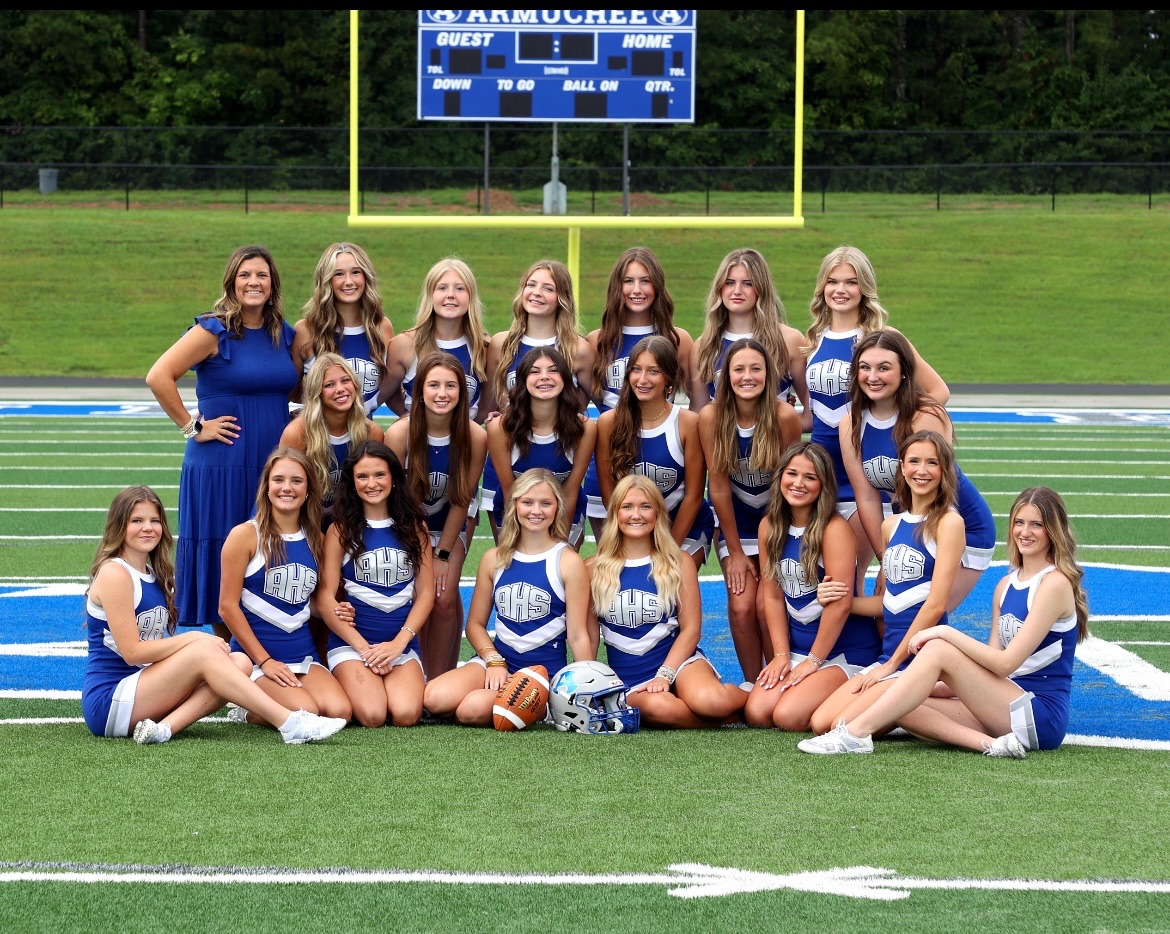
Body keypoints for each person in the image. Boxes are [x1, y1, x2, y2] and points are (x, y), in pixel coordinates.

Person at [799, 486, 1089, 756]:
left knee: (936, 647)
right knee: (900, 699)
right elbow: (993, 668)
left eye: (1036, 524)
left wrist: (944, 633)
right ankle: (992, 745)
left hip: (1039, 715)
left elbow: (1005, 664)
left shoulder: (1054, 584)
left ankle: (856, 734)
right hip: (1003, 705)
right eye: (1019, 522)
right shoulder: (1005, 586)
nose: (1025, 532)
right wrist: (923, 682)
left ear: (1053, 530)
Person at [82, 486, 347, 745]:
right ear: (119, 525)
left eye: (154, 520)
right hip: (110, 701)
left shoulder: (152, 574)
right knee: (204, 651)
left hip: (142, 692)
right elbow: (133, 652)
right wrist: (195, 639)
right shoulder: (115, 573)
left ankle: (163, 729)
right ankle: (289, 724)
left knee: (240, 663)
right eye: (136, 521)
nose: (148, 527)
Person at [146, 245, 298, 635]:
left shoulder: (284, 334)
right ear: (231, 281)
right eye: (245, 274)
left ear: (273, 284)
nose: (254, 282)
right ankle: (231, 663)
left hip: (272, 462)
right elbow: (159, 376)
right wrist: (193, 427)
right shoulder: (213, 329)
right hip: (221, 462)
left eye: (262, 275)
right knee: (225, 557)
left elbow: (293, 387)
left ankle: (265, 660)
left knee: (271, 558)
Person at [802, 245, 949, 587]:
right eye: (832, 281)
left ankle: (862, 641)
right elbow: (815, 414)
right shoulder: (812, 341)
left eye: (851, 282)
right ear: (822, 287)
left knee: (851, 570)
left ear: (864, 287)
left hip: (867, 474)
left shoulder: (883, 338)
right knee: (822, 570)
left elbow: (938, 392)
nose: (840, 290)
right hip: (822, 469)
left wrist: (896, 428)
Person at [808, 430, 965, 735]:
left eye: (932, 463)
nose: (922, 470)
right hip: (889, 655)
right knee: (819, 723)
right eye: (914, 461)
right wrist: (838, 599)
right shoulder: (890, 526)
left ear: (944, 471)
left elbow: (935, 605)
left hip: (917, 659)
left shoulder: (949, 522)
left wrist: (892, 664)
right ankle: (922, 700)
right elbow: (891, 601)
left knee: (842, 725)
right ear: (902, 468)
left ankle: (932, 693)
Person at [838, 328, 994, 610]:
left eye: (884, 368)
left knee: (917, 617)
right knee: (888, 617)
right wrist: (886, 558)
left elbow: (936, 497)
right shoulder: (850, 424)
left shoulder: (925, 417)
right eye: (865, 368)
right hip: (908, 529)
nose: (873, 377)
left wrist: (897, 563)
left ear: (904, 373)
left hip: (957, 526)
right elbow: (867, 497)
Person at [422, 469, 592, 726]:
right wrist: (494, 660)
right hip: (497, 661)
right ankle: (512, 702)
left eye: (546, 503)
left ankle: (541, 706)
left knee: (471, 709)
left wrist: (587, 681)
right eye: (528, 502)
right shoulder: (494, 557)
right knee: (434, 698)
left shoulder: (568, 561)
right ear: (514, 506)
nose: (536, 510)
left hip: (541, 673)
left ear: (557, 508)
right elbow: (476, 625)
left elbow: (578, 634)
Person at [590, 475, 747, 728]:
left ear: (658, 513)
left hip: (680, 663)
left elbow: (691, 630)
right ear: (614, 514)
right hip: (631, 677)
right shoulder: (593, 569)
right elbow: (586, 636)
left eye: (646, 506)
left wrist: (666, 674)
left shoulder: (679, 561)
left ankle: (753, 700)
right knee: (660, 707)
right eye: (627, 507)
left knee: (711, 701)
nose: (636, 515)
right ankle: (723, 721)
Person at [744, 443, 881, 730]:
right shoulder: (769, 525)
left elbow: (840, 603)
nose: (798, 483)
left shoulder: (834, 530)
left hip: (844, 651)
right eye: (792, 473)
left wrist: (814, 661)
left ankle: (867, 693)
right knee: (757, 713)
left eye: (810, 477)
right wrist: (781, 655)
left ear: (823, 485)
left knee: (787, 717)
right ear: (780, 475)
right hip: (799, 649)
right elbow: (771, 596)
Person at [218, 448, 353, 728]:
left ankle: (263, 701)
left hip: (302, 654)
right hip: (256, 658)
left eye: (296, 481)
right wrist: (265, 661)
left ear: (308, 490)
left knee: (340, 711)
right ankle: (247, 705)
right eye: (278, 480)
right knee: (307, 711)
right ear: (267, 487)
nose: (287, 488)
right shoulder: (245, 535)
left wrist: (335, 611)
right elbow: (227, 607)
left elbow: (305, 602)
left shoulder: (316, 537)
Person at [698, 338, 802, 680]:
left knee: (764, 605)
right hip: (736, 527)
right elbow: (719, 487)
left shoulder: (784, 416)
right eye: (738, 369)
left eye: (755, 368)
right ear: (725, 376)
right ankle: (752, 682)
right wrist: (737, 553)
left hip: (777, 525)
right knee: (742, 605)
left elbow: (792, 484)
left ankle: (780, 677)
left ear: (768, 374)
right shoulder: (712, 417)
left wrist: (777, 538)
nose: (747, 376)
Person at [316, 442, 434, 727]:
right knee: (372, 715)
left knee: (405, 714)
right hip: (353, 644)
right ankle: (347, 680)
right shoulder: (340, 529)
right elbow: (324, 596)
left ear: (393, 478)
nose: (372, 484)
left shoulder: (415, 527)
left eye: (379, 475)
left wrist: (398, 644)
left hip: (400, 645)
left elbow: (426, 593)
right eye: (362, 476)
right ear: (352, 482)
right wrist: (363, 648)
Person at [385, 352, 487, 679]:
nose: (442, 393)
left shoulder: (474, 436)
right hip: (403, 531)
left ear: (462, 392)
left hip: (447, 530)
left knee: (442, 598)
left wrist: (441, 553)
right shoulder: (400, 433)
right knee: (416, 596)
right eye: (433, 385)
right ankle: (410, 674)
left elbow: (461, 500)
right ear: (419, 391)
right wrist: (420, 552)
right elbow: (392, 499)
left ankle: (439, 683)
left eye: (450, 386)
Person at [585, 246, 693, 538]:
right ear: (616, 287)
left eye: (645, 280)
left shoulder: (677, 339)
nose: (637, 289)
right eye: (628, 281)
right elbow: (584, 402)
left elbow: (699, 404)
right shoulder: (597, 341)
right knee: (617, 563)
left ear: (657, 286)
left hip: (666, 464)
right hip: (612, 461)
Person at [596, 335, 714, 572]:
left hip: (683, 525)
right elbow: (610, 495)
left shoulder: (689, 423)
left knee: (673, 585)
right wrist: (631, 538)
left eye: (653, 371)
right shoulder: (608, 423)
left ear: (669, 378)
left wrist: (667, 548)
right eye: (636, 370)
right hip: (631, 525)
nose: (642, 379)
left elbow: (693, 495)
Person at [486, 346, 595, 548]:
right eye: (535, 372)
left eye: (553, 370)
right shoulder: (499, 429)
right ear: (523, 381)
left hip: (564, 511)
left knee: (560, 570)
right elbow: (510, 490)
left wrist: (556, 546)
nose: (544, 377)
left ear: (565, 379)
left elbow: (570, 492)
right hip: (514, 510)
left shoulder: (584, 429)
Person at [688, 247, 808, 413]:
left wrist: (782, 424)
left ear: (761, 288)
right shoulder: (704, 345)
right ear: (719, 288)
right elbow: (698, 413)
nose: (737, 291)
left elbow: (811, 413)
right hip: (723, 439)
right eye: (729, 283)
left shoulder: (789, 340)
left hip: (775, 438)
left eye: (747, 283)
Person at [381, 256, 491, 421]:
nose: (451, 295)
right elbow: (385, 393)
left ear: (471, 297)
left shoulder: (484, 346)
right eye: (442, 288)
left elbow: (489, 402)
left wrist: (471, 427)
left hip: (466, 441)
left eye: (460, 289)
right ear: (430, 295)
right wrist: (409, 417)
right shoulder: (405, 344)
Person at [292, 242, 394, 415]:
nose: (348, 282)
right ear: (326, 280)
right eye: (338, 274)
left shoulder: (381, 326)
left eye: (355, 272)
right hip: (317, 436)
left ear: (365, 277)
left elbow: (391, 389)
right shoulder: (306, 330)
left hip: (365, 436)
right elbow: (291, 392)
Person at [279, 353, 383, 513]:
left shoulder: (371, 432)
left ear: (355, 384)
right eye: (329, 385)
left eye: (345, 380)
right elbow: (284, 490)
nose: (340, 389)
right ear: (317, 392)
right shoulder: (297, 433)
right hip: (304, 516)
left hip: (350, 519)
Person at [487, 259, 593, 413]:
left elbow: (590, 406)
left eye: (548, 288)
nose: (536, 292)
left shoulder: (578, 349)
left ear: (562, 298)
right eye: (531, 285)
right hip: (513, 434)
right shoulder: (501, 344)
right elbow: (487, 407)